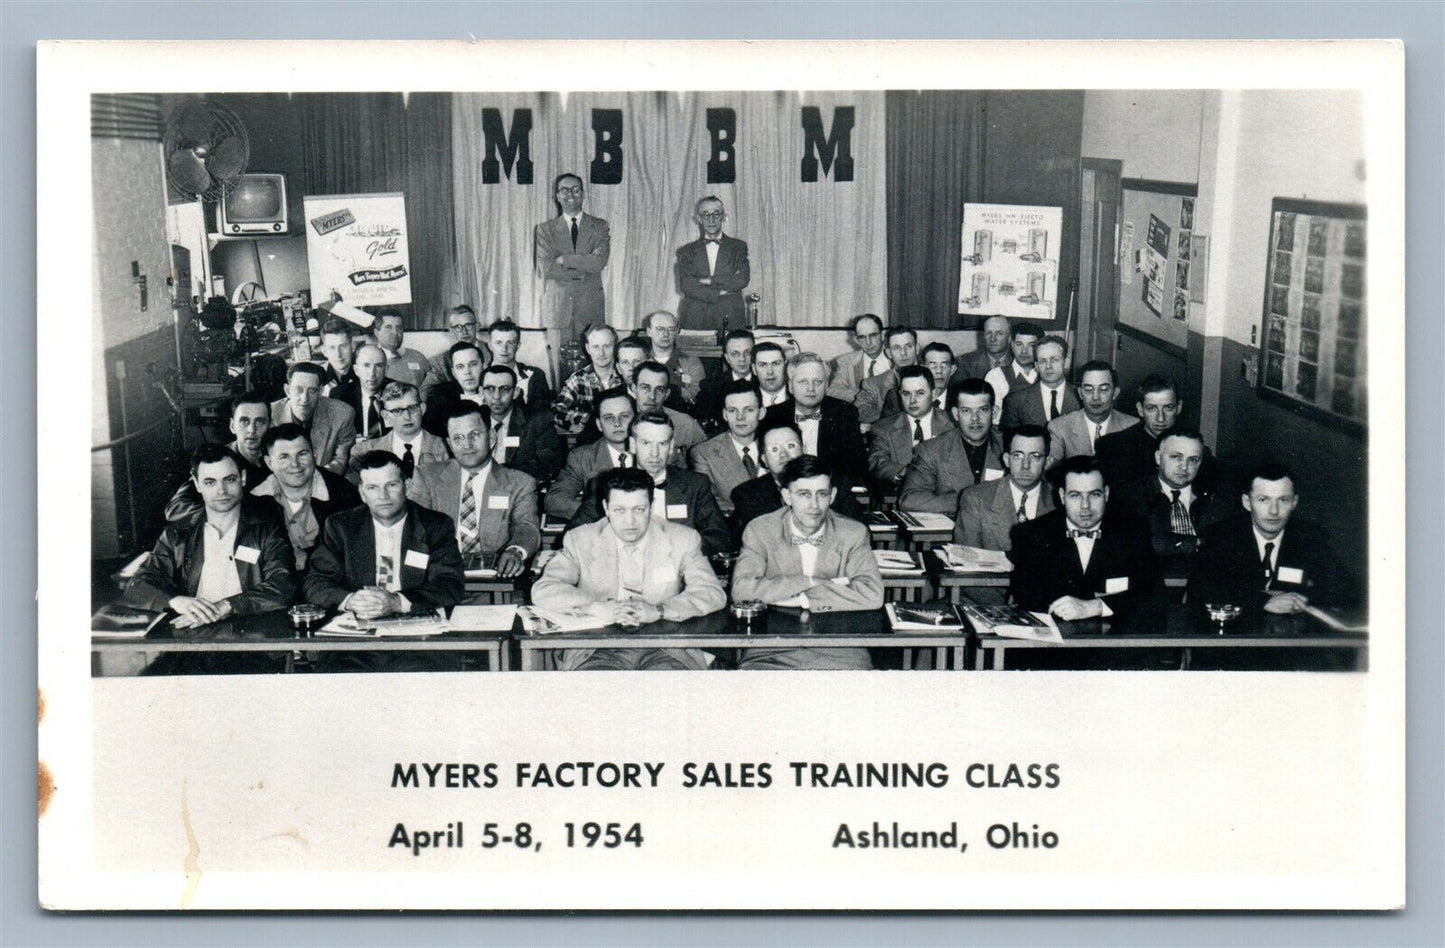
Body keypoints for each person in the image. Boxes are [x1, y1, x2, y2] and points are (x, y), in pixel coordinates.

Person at [532, 467, 726, 671]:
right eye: (619, 510)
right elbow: (545, 589)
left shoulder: (683, 539)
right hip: (597, 647)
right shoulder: (580, 539)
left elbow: (711, 592)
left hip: (665, 646)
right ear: (606, 508)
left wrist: (661, 610)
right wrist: (595, 607)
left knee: (670, 690)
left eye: (639, 509)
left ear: (651, 506)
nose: (630, 521)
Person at [731, 455, 883, 670]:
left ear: (833, 496)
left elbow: (872, 595)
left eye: (822, 494)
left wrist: (803, 600)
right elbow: (742, 590)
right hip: (770, 648)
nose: (814, 505)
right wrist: (811, 581)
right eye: (804, 494)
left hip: (840, 648)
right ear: (786, 496)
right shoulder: (760, 530)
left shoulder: (853, 533)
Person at [126, 444, 295, 624]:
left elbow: (283, 584)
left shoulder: (267, 530)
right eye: (210, 482)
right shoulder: (177, 535)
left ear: (243, 478)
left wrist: (228, 605)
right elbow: (137, 586)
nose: (221, 490)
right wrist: (175, 602)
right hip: (193, 633)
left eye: (229, 480)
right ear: (197, 484)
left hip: (253, 633)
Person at [302, 450, 465, 618]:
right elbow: (315, 582)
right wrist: (351, 601)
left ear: (407, 487)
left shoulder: (435, 526)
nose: (383, 495)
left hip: (415, 623)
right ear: (362, 493)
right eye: (372, 487)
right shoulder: (340, 526)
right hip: (359, 623)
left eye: (392, 485)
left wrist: (396, 601)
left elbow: (450, 583)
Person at [1189, 462, 1358, 614]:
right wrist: (1264, 601)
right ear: (1247, 502)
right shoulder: (1220, 535)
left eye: (1283, 500)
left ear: (1294, 502)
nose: (1274, 511)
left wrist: (1299, 599)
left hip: (1290, 637)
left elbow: (1349, 591)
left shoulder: (1309, 537)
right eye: (1263, 500)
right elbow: (1200, 591)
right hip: (1236, 636)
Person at [1007, 455, 1159, 621]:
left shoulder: (1132, 532)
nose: (1085, 505)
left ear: (1106, 494)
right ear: (1062, 496)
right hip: (1055, 639)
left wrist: (1096, 606)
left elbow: (1153, 593)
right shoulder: (1031, 533)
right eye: (1075, 495)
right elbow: (1026, 596)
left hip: (1113, 638)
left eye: (1094, 495)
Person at [566, 411, 732, 557]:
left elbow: (719, 536)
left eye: (662, 444)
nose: (655, 453)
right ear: (632, 445)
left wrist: (676, 551)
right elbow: (575, 534)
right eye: (646, 443)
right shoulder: (606, 484)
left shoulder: (694, 485)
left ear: (672, 446)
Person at [409, 402, 541, 579]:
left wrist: (515, 551)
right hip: (438, 581)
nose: (467, 444)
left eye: (474, 435)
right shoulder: (426, 477)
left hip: (494, 583)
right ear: (449, 443)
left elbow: (527, 526)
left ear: (492, 437)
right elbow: (412, 530)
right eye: (458, 438)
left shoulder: (520, 483)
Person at [1111, 426, 1230, 578]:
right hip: (1149, 586)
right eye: (1176, 457)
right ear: (1158, 458)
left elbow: (1226, 546)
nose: (1184, 467)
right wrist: (1195, 543)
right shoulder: (1130, 496)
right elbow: (1138, 545)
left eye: (1193, 460)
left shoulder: (1217, 498)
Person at [729, 419, 861, 546]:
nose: (784, 454)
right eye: (774, 449)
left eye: (791, 446)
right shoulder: (747, 494)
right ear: (764, 459)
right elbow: (746, 544)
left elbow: (858, 532)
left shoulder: (833, 484)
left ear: (804, 450)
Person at [250, 423, 361, 570]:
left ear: (314, 455)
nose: (295, 464)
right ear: (269, 463)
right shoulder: (254, 500)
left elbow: (357, 550)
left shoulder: (342, 492)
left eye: (302, 454)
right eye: (284, 457)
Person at [899, 379, 1006, 514]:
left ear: (994, 412)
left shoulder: (1009, 445)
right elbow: (910, 499)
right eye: (966, 411)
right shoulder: (932, 450)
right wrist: (967, 501)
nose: (975, 419)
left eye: (983, 410)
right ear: (956, 414)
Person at [1094, 375, 1218, 490]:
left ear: (1179, 408)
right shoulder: (1112, 448)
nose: (1160, 418)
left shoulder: (1196, 451)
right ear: (1140, 409)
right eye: (1152, 408)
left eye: (1168, 408)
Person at [164, 391, 271, 522]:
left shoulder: (278, 456)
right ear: (232, 426)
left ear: (270, 425)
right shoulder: (217, 459)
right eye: (244, 421)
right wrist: (225, 516)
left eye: (260, 422)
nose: (252, 430)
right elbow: (176, 508)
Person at [761, 352, 866, 482]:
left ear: (827, 386)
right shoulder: (772, 415)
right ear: (790, 386)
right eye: (803, 382)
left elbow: (855, 466)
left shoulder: (844, 413)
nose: (811, 388)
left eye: (818, 382)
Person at [534, 172, 610, 349]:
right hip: (559, 310)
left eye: (576, 189)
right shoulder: (545, 230)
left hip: (590, 308)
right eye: (565, 190)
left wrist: (564, 259)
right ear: (557, 196)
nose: (570, 194)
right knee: (559, 368)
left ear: (583, 194)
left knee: (591, 366)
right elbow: (546, 267)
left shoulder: (599, 226)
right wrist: (583, 266)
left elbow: (599, 262)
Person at [954, 424, 1055, 553]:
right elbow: (966, 562)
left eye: (1035, 456)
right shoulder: (976, 499)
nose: (1025, 465)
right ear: (1007, 460)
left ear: (1047, 462)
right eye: (1017, 456)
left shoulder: (1060, 501)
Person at [545, 387, 637, 521]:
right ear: (599, 425)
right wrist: (602, 514)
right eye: (609, 418)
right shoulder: (582, 457)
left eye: (624, 416)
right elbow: (554, 500)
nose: (617, 423)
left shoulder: (654, 450)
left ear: (636, 419)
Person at [474, 364, 566, 483]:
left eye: (505, 389)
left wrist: (499, 471)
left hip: (519, 489)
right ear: (481, 391)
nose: (497, 396)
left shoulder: (538, 422)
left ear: (516, 392)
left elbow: (549, 466)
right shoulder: (472, 422)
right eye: (490, 389)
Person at [674, 195, 751, 332]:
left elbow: (742, 279)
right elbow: (687, 285)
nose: (711, 220)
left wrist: (709, 281)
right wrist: (720, 291)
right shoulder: (686, 251)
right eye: (706, 214)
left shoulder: (738, 247)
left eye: (716, 214)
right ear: (699, 219)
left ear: (723, 217)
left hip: (731, 314)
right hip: (695, 316)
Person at [866, 365, 952, 486]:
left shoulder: (952, 424)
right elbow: (877, 463)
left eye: (920, 393)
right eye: (906, 393)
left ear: (933, 394)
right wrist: (902, 472)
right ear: (899, 395)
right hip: (902, 494)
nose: (912, 400)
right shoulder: (883, 428)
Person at [691, 379, 765, 516]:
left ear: (761, 412)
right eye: (732, 410)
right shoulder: (704, 454)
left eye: (749, 410)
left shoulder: (776, 446)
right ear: (725, 414)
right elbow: (710, 505)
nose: (740, 417)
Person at [349, 381, 448, 481]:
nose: (407, 417)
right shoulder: (363, 452)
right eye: (397, 411)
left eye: (412, 408)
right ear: (386, 416)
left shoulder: (446, 448)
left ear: (422, 409)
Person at [269, 362, 357, 476]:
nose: (304, 399)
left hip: (323, 482)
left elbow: (341, 461)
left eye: (312, 391)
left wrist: (313, 479)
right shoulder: (269, 415)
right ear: (287, 390)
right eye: (298, 390)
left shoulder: (342, 414)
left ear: (320, 391)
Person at [1046, 361, 1139, 466]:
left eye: (1103, 389)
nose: (1095, 397)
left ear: (1115, 393)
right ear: (1080, 393)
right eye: (1089, 390)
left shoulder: (1134, 426)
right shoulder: (1059, 427)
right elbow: (1050, 472)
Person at [552, 324, 624, 434]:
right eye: (596, 347)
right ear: (587, 348)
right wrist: (591, 419)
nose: (601, 353)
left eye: (607, 346)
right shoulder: (578, 379)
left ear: (615, 347)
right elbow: (557, 410)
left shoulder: (625, 376)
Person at [999, 334, 1079, 431]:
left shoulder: (1080, 397)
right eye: (1042, 361)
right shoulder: (1015, 401)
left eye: (1054, 360)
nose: (1048, 366)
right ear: (1036, 366)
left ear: (1066, 362)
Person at [631, 360, 707, 460]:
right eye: (645, 388)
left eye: (659, 390)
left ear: (667, 394)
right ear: (633, 389)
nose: (652, 396)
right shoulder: (621, 421)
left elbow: (707, 459)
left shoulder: (684, 424)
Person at [854, 326, 920, 424]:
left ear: (917, 349)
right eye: (897, 348)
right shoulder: (872, 384)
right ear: (888, 353)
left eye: (908, 346)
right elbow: (860, 411)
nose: (903, 353)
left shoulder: (934, 377)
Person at [421, 340, 488, 436]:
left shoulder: (496, 391)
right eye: (460, 367)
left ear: (483, 366)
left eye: (473, 364)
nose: (467, 372)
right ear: (454, 373)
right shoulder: (439, 397)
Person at [641, 310, 706, 407]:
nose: (666, 334)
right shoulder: (640, 361)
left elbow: (697, 393)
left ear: (676, 332)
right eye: (660, 329)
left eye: (671, 329)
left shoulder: (691, 361)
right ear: (649, 331)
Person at [694, 328, 755, 431]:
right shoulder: (712, 387)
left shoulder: (765, 383)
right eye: (735, 353)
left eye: (747, 352)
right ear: (727, 358)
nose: (742, 359)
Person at [487, 318, 552, 410]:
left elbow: (541, 417)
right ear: (490, 346)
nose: (504, 349)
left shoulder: (534, 375)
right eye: (498, 343)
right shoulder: (481, 376)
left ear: (518, 346)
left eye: (510, 343)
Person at [826, 313, 891, 403]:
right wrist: (862, 396)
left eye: (872, 335)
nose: (868, 342)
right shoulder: (846, 361)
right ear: (856, 340)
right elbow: (833, 390)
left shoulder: (895, 358)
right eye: (862, 337)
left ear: (882, 335)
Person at [984, 320, 1045, 412]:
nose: (1024, 351)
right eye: (1019, 344)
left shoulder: (1047, 375)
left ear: (1040, 348)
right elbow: (994, 418)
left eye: (1031, 345)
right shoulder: (996, 376)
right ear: (1012, 345)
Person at [373, 310, 437, 397]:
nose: (395, 332)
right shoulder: (371, 360)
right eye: (388, 327)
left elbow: (432, 389)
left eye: (398, 327)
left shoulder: (417, 357)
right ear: (376, 333)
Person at [427, 305, 490, 385]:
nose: (464, 332)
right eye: (458, 327)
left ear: (477, 327)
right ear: (452, 332)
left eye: (468, 325)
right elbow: (426, 391)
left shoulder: (494, 353)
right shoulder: (439, 362)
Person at [316, 317, 361, 408]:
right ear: (324, 351)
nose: (338, 354)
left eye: (343, 346)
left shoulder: (364, 374)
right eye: (332, 348)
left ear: (353, 347)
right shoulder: (317, 378)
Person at [351, 344, 391, 440]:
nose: (372, 373)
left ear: (386, 370)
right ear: (356, 370)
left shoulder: (396, 392)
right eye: (366, 365)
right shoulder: (341, 395)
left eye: (378, 366)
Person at [957, 315, 1013, 380]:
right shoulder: (965, 362)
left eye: (999, 333)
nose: (992, 339)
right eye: (988, 333)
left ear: (1009, 338)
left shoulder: (1018, 362)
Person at [920, 342, 959, 413]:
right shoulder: (912, 400)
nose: (939, 371)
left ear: (952, 370)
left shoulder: (959, 402)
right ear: (923, 369)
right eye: (933, 365)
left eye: (944, 365)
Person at [752, 341, 790, 409]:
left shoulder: (799, 397)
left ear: (785, 366)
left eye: (776, 364)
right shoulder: (745, 399)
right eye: (763, 365)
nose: (770, 372)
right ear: (754, 369)